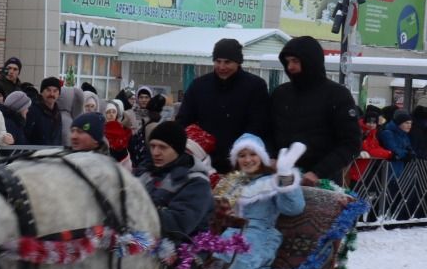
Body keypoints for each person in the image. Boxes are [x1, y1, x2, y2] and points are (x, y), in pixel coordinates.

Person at [212, 134, 307, 269]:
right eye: (242, 155)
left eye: (252, 154)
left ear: (261, 157)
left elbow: (294, 207)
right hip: (229, 236)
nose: (247, 160)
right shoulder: (231, 182)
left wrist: (285, 173)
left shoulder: (270, 182)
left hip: (259, 236)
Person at [270, 36, 361, 186]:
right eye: (287, 62)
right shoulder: (280, 94)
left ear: (310, 61)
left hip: (321, 182)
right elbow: (268, 131)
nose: (290, 67)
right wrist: (272, 157)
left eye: (295, 61)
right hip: (282, 178)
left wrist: (319, 172)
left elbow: (351, 143)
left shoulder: (337, 95)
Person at [175, 38, 272, 173]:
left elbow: (258, 125)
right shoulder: (199, 86)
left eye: (227, 62)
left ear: (238, 62)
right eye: (218, 61)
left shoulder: (255, 86)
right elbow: (183, 121)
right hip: (203, 161)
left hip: (241, 163)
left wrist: (243, 155)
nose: (222, 67)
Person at [138, 120, 214, 243]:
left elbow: (179, 225)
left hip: (184, 250)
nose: (155, 152)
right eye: (152, 146)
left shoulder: (197, 182)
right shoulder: (146, 171)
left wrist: (135, 210)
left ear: (177, 150)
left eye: (163, 147)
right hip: (144, 239)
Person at [377, 110, 416, 217]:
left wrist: (411, 153)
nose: (409, 126)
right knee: (386, 197)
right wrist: (405, 154)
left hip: (400, 170)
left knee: (397, 197)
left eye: (411, 123)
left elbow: (409, 148)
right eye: (407, 123)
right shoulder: (387, 133)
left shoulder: (404, 134)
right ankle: (376, 219)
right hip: (388, 170)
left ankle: (392, 219)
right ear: (399, 123)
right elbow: (393, 148)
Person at [22, 77, 64, 147]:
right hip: (35, 154)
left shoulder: (58, 113)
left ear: (59, 94)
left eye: (55, 91)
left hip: (53, 154)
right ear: (41, 92)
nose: (52, 94)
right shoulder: (32, 111)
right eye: (48, 90)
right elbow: (25, 136)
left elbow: (58, 138)